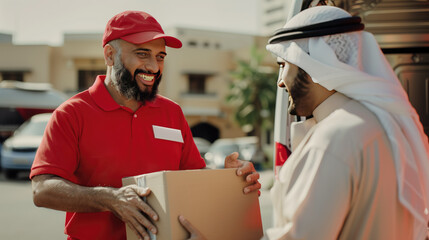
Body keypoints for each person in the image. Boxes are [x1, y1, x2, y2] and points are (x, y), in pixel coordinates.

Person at [180, 5, 429, 240]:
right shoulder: (388, 125)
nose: (280, 82)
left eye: (284, 65)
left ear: (313, 64)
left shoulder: (335, 137)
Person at [30, 10, 261, 240]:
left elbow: (192, 177)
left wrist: (228, 180)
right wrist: (111, 199)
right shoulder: (72, 113)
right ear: (110, 55)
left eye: (160, 57)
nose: (153, 67)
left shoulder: (172, 113)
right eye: (143, 54)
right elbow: (42, 189)